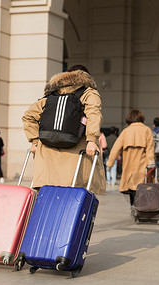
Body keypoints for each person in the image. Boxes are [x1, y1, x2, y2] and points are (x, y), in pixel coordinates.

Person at [22, 65, 106, 195]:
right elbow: (93, 114)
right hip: (75, 159)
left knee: (47, 205)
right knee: (72, 205)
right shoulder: (88, 93)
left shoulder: (51, 95)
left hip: (47, 161)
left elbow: (28, 116)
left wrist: (35, 140)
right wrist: (92, 140)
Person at [106, 110, 155, 208]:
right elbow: (150, 148)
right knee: (142, 185)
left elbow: (116, 147)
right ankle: (140, 207)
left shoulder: (126, 131)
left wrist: (109, 163)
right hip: (142, 162)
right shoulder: (146, 130)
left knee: (131, 187)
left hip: (129, 163)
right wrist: (151, 161)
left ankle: (133, 206)